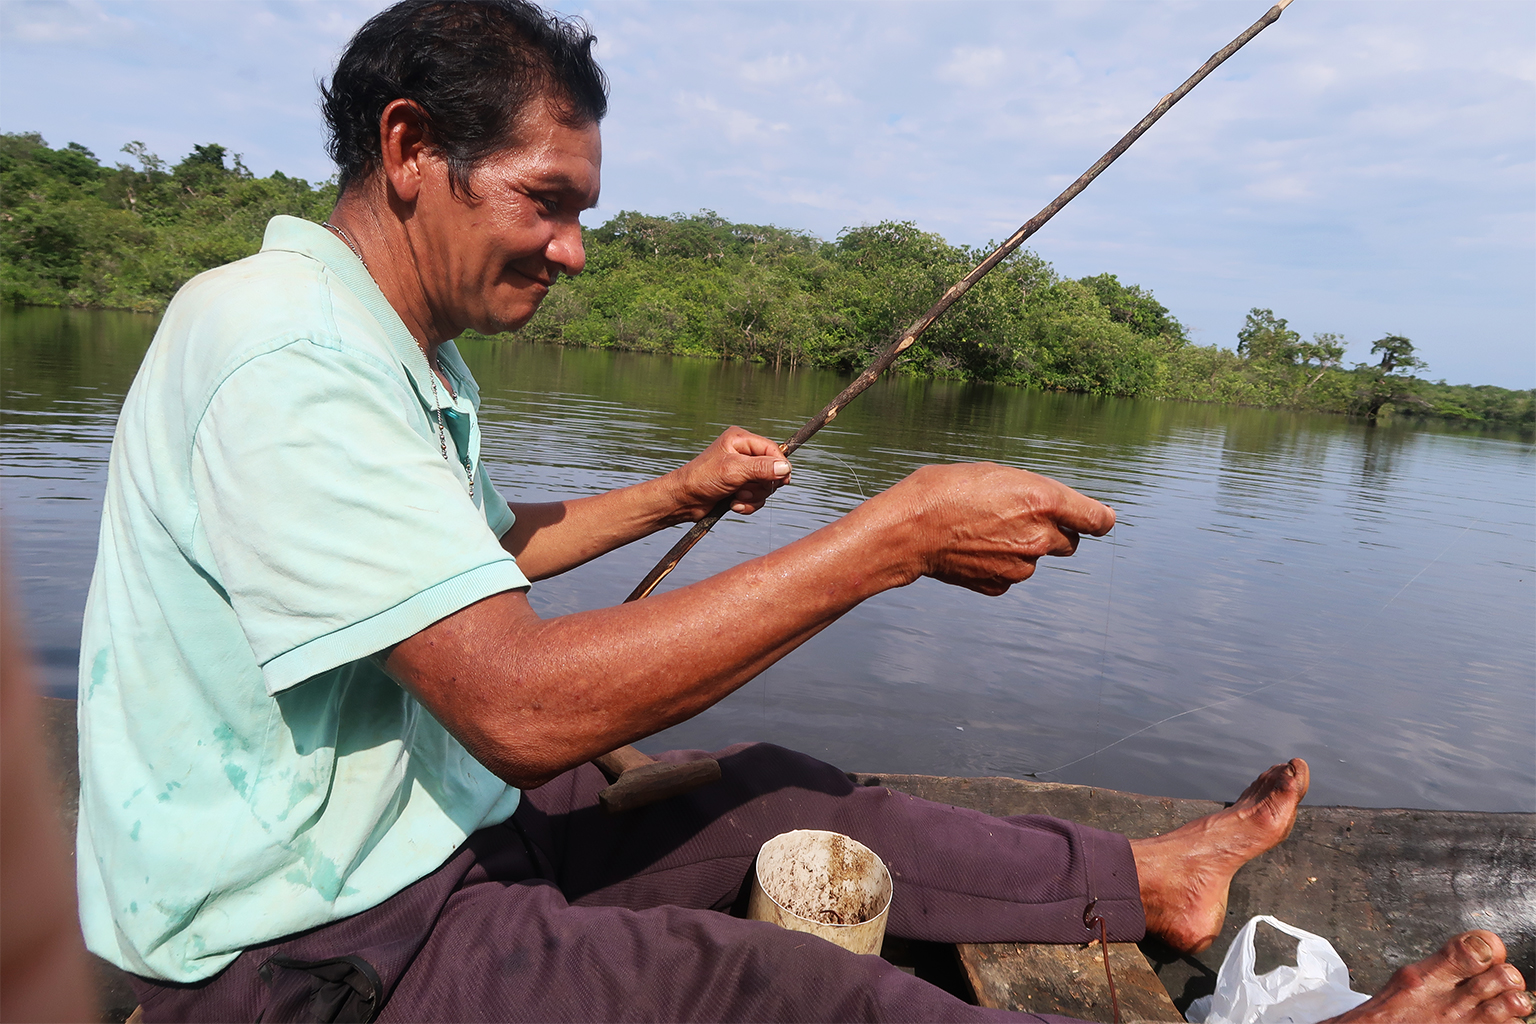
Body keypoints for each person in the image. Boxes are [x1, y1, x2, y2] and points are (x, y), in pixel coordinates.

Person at [75, 2, 1529, 1022]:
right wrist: (889, 540)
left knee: (776, 790)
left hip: (426, 835)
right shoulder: (286, 351)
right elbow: (513, 708)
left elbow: (465, 559)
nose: (576, 249)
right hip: (310, 949)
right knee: (772, 988)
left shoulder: (395, 349)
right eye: (547, 200)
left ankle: (1156, 879)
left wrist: (680, 492)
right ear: (409, 149)